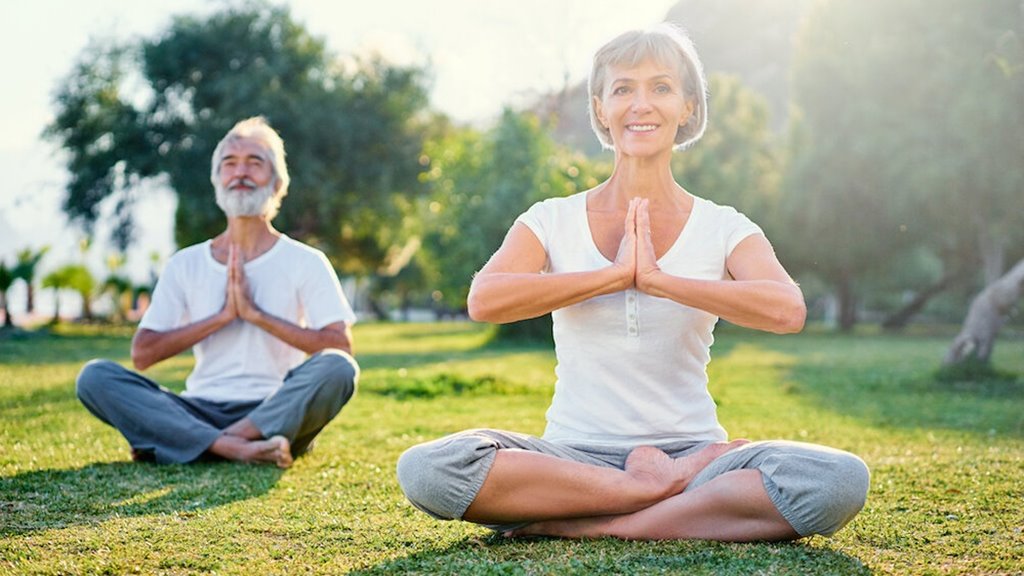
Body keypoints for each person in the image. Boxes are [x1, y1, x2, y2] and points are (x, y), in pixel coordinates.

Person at [396, 24, 869, 541]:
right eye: (623, 89)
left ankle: (588, 526)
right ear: (600, 108)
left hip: (694, 451)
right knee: (429, 469)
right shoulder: (550, 219)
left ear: (687, 106)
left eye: (661, 88)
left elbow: (786, 309)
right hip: (572, 457)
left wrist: (662, 282)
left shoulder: (725, 225)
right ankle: (651, 496)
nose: (641, 104)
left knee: (838, 480)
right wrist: (612, 276)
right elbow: (485, 299)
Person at [76, 117, 359, 469]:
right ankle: (236, 448)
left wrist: (256, 315)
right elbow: (143, 354)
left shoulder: (306, 261)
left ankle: (199, 442)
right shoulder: (185, 264)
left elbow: (340, 347)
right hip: (198, 408)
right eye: (230, 163)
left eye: (255, 163)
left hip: (275, 408)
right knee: (95, 377)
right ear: (217, 181)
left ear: (277, 183)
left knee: (338, 368)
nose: (240, 172)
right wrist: (222, 317)